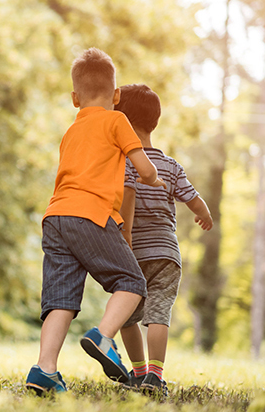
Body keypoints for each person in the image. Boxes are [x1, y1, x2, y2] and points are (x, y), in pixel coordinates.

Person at [24, 48, 166, 395]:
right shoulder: (117, 120)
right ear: (116, 96)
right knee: (132, 283)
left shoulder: (72, 131)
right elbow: (143, 165)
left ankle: (44, 370)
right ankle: (103, 336)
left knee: (60, 299)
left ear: (75, 98)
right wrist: (155, 179)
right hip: (91, 214)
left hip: (55, 217)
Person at [115, 84, 213, 396]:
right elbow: (194, 199)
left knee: (127, 317)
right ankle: (155, 376)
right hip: (167, 254)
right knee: (159, 313)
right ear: (154, 121)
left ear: (123, 122)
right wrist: (205, 215)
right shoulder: (170, 165)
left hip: (132, 252)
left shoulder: (123, 162)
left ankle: (139, 372)